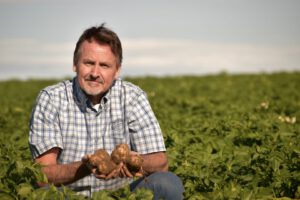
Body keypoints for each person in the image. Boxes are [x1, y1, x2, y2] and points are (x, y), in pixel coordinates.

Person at [28, 24, 184, 199]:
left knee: (167, 184)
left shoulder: (132, 97)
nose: (95, 73)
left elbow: (161, 162)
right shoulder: (51, 98)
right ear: (75, 64)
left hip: (123, 194)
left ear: (117, 70)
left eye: (104, 65)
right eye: (88, 63)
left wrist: (134, 161)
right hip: (70, 195)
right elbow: (43, 176)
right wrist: (85, 167)